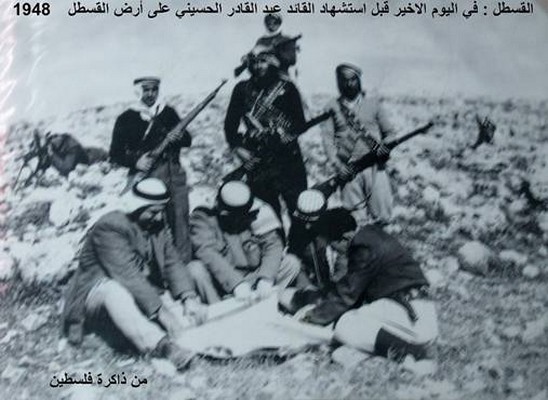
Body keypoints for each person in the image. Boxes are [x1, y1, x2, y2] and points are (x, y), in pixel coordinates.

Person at [62, 178, 207, 370]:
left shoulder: (157, 224)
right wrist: (162, 313)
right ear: (137, 207)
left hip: (140, 295)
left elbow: (172, 261)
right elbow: (128, 276)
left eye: (161, 211)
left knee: (186, 315)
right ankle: (162, 347)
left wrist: (188, 297)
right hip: (97, 299)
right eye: (153, 212)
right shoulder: (110, 227)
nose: (158, 217)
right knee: (114, 292)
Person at [281, 190, 438, 360]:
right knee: (349, 324)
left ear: (343, 238)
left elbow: (346, 297)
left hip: (412, 316)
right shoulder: (371, 236)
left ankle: (413, 352)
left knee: (346, 325)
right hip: (411, 310)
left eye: (333, 245)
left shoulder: (364, 249)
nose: (335, 251)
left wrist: (310, 317)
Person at [109, 76, 192, 263]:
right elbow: (115, 154)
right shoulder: (126, 118)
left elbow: (188, 140)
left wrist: (179, 136)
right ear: (138, 91)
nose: (151, 94)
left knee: (180, 221)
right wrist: (136, 161)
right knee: (150, 223)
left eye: (154, 89)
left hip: (174, 173)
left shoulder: (168, 113)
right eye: (146, 90)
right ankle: (153, 267)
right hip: (148, 177)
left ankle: (184, 266)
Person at [224, 46, 308, 219]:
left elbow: (300, 123)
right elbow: (230, 126)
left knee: (299, 210)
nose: (258, 66)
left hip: (288, 158)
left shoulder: (287, 88)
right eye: (254, 62)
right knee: (267, 215)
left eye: (263, 61)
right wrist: (238, 148)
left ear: (272, 63)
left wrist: (285, 132)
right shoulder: (241, 89)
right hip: (258, 158)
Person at [188, 181, 301, 304]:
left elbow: (272, 244)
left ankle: (267, 302)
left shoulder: (257, 210)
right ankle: (223, 309)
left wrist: (266, 278)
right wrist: (236, 284)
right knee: (195, 269)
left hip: (254, 277)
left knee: (291, 263)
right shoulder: (202, 216)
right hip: (222, 282)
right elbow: (207, 253)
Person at [322, 63, 395, 226]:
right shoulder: (332, 107)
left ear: (359, 80)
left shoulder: (374, 104)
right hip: (348, 170)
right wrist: (337, 165)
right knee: (354, 220)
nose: (349, 84)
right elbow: (327, 139)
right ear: (338, 82)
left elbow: (389, 133)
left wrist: (385, 147)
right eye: (344, 80)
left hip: (375, 167)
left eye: (353, 79)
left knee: (382, 218)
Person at [255, 14, 299, 79]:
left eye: (274, 22)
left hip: (280, 73)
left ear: (279, 24)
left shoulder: (287, 40)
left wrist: (277, 56)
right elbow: (254, 54)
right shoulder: (261, 40)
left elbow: (292, 60)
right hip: (261, 73)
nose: (271, 25)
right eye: (268, 22)